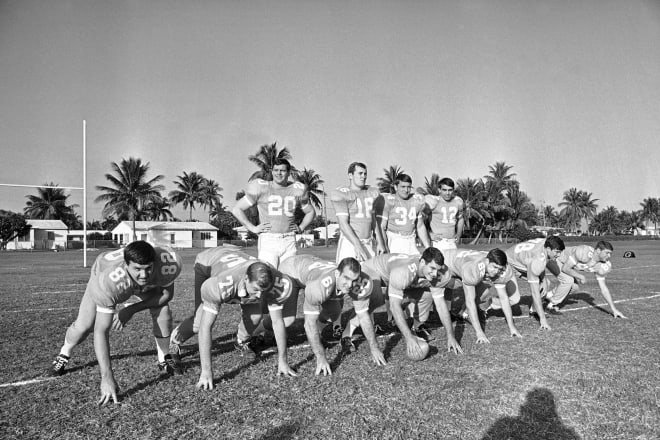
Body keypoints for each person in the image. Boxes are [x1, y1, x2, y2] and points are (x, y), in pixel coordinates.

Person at [47, 241, 183, 405]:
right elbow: (101, 331)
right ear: (126, 265)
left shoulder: (167, 263)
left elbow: (166, 295)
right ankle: (65, 352)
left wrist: (130, 310)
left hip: (132, 278)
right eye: (137, 269)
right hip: (104, 270)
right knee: (85, 325)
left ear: (154, 263)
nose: (144, 275)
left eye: (148, 268)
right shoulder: (108, 281)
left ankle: (164, 357)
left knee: (162, 309)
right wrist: (107, 376)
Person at [168, 247, 299, 391]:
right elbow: (206, 327)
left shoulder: (274, 281)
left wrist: (283, 361)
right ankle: (174, 341)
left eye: (264, 292)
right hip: (208, 262)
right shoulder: (220, 284)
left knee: (255, 317)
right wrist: (206, 371)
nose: (260, 296)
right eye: (256, 290)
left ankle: (241, 341)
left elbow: (277, 321)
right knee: (199, 323)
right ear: (246, 279)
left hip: (236, 263)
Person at [278, 255, 386, 375]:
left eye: (354, 280)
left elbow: (363, 317)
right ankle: (259, 331)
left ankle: (317, 335)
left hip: (312, 268)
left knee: (333, 314)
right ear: (337, 274)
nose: (350, 284)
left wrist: (374, 347)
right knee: (286, 320)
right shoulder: (318, 287)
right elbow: (309, 323)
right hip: (292, 271)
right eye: (346, 278)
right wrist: (321, 358)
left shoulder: (360, 282)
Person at [362, 248, 464, 357]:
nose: (435, 274)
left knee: (427, 294)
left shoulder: (438, 273)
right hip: (373, 270)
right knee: (375, 302)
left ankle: (417, 326)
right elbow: (394, 306)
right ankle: (348, 335)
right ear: (423, 262)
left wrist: (451, 336)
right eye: (432, 268)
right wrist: (409, 338)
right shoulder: (404, 272)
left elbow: (441, 305)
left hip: (398, 275)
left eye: (438, 270)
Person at [329, 162, 387, 338]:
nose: (363, 176)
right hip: (350, 242)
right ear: (350, 175)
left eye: (365, 173)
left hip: (368, 241)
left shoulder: (372, 192)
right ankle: (337, 324)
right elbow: (343, 224)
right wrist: (357, 244)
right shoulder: (341, 194)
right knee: (340, 284)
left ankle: (370, 321)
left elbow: (374, 221)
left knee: (370, 282)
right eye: (360, 173)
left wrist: (381, 242)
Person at [232, 158, 316, 268]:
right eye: (276, 170)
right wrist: (253, 228)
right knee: (268, 276)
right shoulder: (262, 187)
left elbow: (311, 212)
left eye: (282, 170)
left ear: (289, 172)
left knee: (289, 277)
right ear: (272, 172)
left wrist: (301, 227)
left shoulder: (296, 189)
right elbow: (237, 209)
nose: (278, 173)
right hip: (269, 240)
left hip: (289, 239)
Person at [444, 248, 521, 343]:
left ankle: (462, 313)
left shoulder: (502, 270)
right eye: (494, 267)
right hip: (448, 261)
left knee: (484, 293)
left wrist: (512, 327)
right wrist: (479, 333)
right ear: (487, 261)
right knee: (446, 286)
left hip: (466, 262)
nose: (497, 271)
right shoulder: (474, 268)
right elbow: (470, 301)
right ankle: (446, 313)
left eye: (500, 269)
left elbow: (504, 298)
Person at [545, 240, 626, 318]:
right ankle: (549, 306)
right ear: (598, 250)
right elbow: (565, 268)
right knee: (568, 281)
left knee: (574, 288)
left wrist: (613, 309)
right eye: (607, 253)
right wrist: (581, 276)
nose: (609, 256)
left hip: (564, 264)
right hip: (555, 258)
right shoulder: (583, 252)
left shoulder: (603, 266)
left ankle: (547, 296)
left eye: (610, 253)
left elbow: (604, 288)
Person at [505, 236, 565, 330]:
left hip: (520, 259)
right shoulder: (538, 261)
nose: (559, 255)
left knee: (546, 284)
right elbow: (535, 292)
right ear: (548, 249)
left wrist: (543, 279)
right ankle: (486, 306)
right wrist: (543, 320)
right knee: (514, 299)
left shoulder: (546, 242)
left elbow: (540, 259)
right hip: (508, 263)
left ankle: (534, 310)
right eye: (557, 252)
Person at [376, 173, 431, 256]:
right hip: (395, 241)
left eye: (409, 187)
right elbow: (382, 227)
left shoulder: (416, 200)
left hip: (411, 241)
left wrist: (428, 247)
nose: (406, 190)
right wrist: (384, 246)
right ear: (395, 187)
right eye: (403, 187)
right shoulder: (389, 200)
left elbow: (420, 226)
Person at [423, 177, 465, 251]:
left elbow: (461, 219)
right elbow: (420, 219)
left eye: (450, 190)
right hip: (438, 242)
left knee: (451, 262)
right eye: (444, 190)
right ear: (439, 190)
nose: (447, 193)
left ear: (453, 190)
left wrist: (458, 235)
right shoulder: (433, 201)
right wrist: (428, 234)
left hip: (452, 242)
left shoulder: (458, 201)